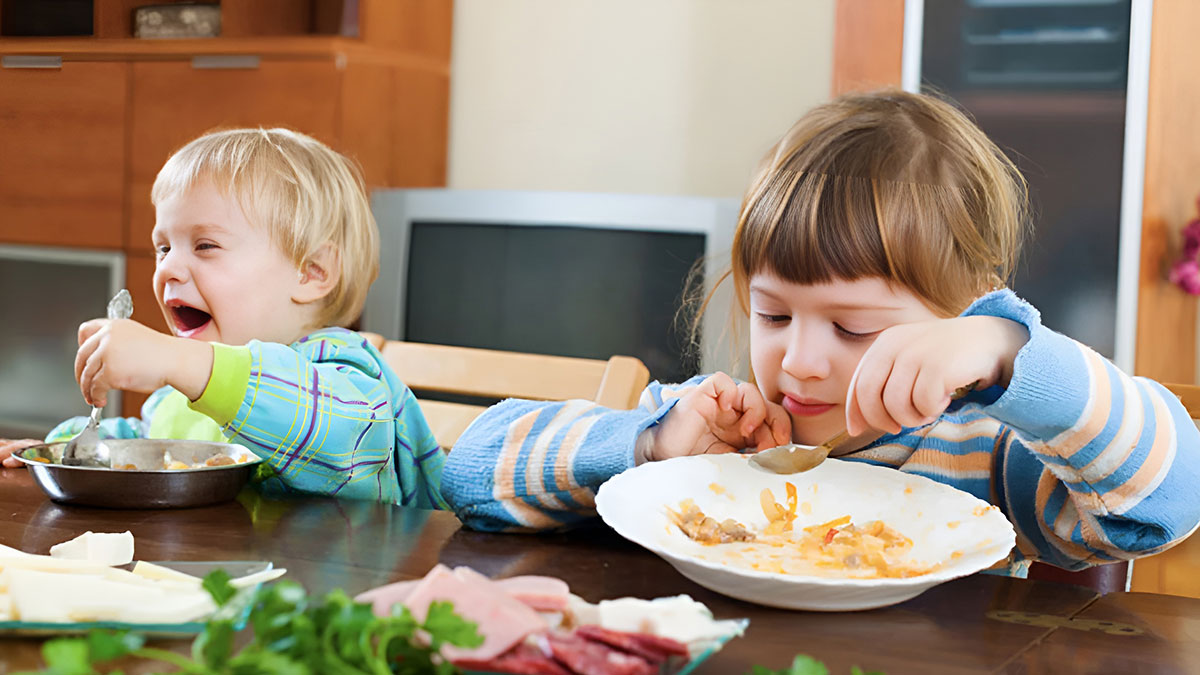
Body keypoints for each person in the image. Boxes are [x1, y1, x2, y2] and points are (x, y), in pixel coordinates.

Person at [441, 89, 1200, 573]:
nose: (798, 362)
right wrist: (647, 446)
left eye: (852, 326)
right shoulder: (708, 437)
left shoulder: (992, 463)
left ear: (958, 320)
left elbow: (1168, 501)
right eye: (772, 315)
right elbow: (470, 472)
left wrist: (1011, 354)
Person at [0, 128, 447, 508]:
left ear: (313, 272)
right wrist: (61, 448)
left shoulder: (345, 374)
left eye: (205, 246)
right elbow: (148, 442)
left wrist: (179, 361)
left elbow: (336, 433)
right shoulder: (185, 390)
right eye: (163, 247)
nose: (167, 268)